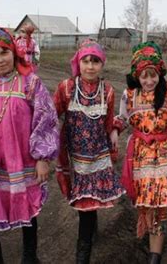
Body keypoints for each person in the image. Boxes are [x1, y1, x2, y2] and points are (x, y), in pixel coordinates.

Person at [0, 27, 59, 264]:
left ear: (13, 52)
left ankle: (30, 258)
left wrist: (42, 157)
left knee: (27, 209)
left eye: (3, 52)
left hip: (24, 159)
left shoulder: (31, 83)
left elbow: (46, 119)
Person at [53, 39, 124, 264]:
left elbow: (109, 119)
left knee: (88, 205)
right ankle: (90, 233)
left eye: (95, 61)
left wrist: (113, 130)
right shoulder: (66, 87)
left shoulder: (108, 91)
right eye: (86, 60)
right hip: (75, 156)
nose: (90, 66)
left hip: (98, 154)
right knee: (85, 204)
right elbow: (52, 114)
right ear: (78, 62)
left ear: (102, 64)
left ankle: (82, 255)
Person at [112, 41, 167, 264]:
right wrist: (115, 131)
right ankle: (150, 235)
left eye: (153, 75)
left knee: (160, 199)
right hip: (140, 155)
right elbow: (122, 119)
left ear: (160, 73)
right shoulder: (129, 95)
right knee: (145, 200)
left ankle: (155, 254)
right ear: (137, 76)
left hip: (162, 154)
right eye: (144, 76)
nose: (149, 81)